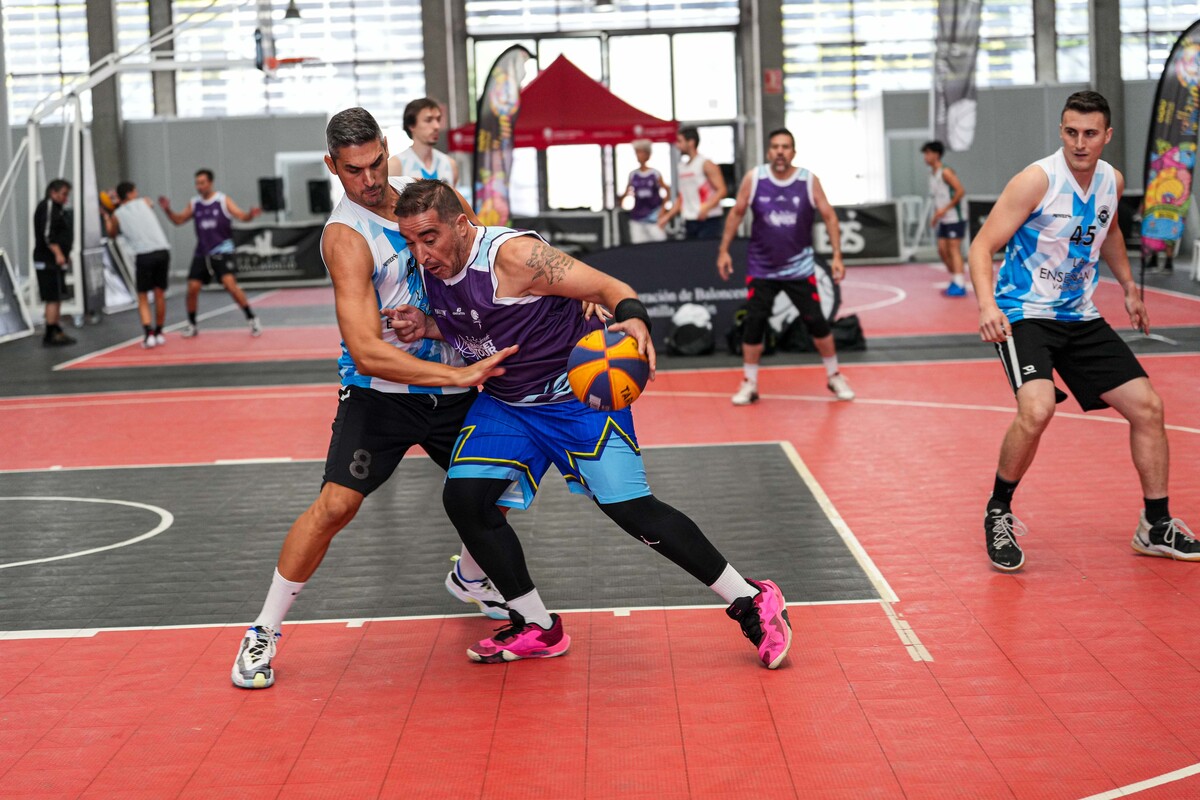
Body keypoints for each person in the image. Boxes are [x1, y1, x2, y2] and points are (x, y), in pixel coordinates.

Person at [389, 178, 792, 670]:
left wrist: (636, 318)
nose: (421, 251)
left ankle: (749, 597)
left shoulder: (514, 258)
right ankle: (536, 625)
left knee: (633, 511)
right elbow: (478, 320)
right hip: (508, 403)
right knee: (465, 499)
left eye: (429, 238)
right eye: (411, 241)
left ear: (460, 224)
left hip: (576, 396)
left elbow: (607, 287)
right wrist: (427, 325)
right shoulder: (431, 265)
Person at [230, 108, 517, 690]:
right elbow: (365, 351)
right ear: (332, 166)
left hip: (449, 380)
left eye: (377, 162)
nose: (369, 179)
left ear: (389, 148)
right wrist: (458, 377)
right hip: (381, 395)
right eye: (354, 170)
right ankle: (262, 631)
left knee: (504, 485)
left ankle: (468, 578)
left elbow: (485, 255)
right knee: (336, 506)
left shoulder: (428, 199)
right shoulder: (346, 238)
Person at [968, 90, 1197, 572]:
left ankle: (1155, 524)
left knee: (1149, 408)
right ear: (1061, 131)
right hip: (1023, 312)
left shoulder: (1111, 180)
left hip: (1079, 316)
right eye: (1071, 132)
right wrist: (988, 305)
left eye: (1090, 133)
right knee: (1038, 407)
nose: (1079, 142)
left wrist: (1131, 287)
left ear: (1106, 136)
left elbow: (1108, 230)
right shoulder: (1037, 180)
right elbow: (982, 244)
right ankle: (998, 511)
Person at [716, 128, 855, 405]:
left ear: (793, 152)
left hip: (800, 269)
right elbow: (736, 213)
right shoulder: (754, 179)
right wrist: (724, 251)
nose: (780, 151)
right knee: (754, 325)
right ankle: (749, 382)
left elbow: (829, 215)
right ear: (769, 151)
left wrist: (837, 255)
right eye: (776, 146)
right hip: (762, 268)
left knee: (817, 322)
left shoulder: (807, 180)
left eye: (786, 147)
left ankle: (835, 375)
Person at [158, 169, 263, 337]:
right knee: (192, 288)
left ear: (210, 183)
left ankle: (252, 318)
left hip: (223, 250)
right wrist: (167, 210)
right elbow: (178, 220)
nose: (199, 186)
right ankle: (192, 325)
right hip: (202, 252)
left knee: (230, 285)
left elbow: (242, 216)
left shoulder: (222, 200)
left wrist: (251, 214)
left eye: (202, 182)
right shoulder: (194, 203)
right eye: (197, 183)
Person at [103, 182, 171, 348]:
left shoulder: (117, 214)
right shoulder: (145, 202)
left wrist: (108, 216)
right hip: (162, 251)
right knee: (159, 293)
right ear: (132, 193)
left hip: (144, 255)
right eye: (135, 191)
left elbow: (111, 234)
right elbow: (150, 204)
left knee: (142, 296)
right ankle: (159, 332)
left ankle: (149, 335)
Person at [657, 127, 726, 239]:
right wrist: (667, 217)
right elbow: (682, 197)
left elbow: (722, 190)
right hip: (690, 221)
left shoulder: (705, 163)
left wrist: (706, 208)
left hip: (709, 220)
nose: (677, 145)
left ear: (691, 142)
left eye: (680, 141)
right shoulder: (682, 167)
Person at [921, 140, 968, 297]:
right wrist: (936, 215)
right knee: (942, 250)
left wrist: (945, 209)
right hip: (943, 218)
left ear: (936, 154)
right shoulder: (932, 175)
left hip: (955, 216)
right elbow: (938, 198)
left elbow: (960, 191)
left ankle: (960, 283)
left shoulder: (946, 172)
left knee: (954, 249)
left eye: (927, 153)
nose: (925, 157)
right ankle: (955, 277)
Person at [32, 179, 76, 346]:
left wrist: (65, 253)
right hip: (47, 260)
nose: (66, 198)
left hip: (56, 260)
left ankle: (56, 328)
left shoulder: (58, 209)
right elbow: (47, 234)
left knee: (57, 296)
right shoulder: (48, 206)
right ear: (53, 192)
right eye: (64, 194)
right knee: (52, 296)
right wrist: (58, 253)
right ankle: (50, 333)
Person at [386, 97, 458, 186]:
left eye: (438, 119)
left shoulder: (450, 165)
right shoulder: (395, 165)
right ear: (411, 125)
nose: (436, 126)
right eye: (428, 120)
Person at [621, 139, 670, 244]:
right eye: (637, 152)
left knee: (660, 244)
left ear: (648, 154)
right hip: (637, 218)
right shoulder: (633, 175)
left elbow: (667, 190)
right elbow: (625, 194)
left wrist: (663, 210)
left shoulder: (654, 174)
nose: (638, 155)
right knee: (638, 247)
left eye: (641, 152)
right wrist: (623, 199)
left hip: (653, 216)